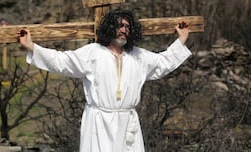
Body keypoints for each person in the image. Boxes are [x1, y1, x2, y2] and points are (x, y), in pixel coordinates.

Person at [19, 8, 192, 152]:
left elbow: (163, 62)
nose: (123, 30)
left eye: (127, 26)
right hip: (98, 123)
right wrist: (32, 48)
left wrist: (181, 41)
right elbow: (62, 61)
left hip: (127, 123)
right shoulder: (93, 53)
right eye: (119, 26)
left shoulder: (138, 57)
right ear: (110, 28)